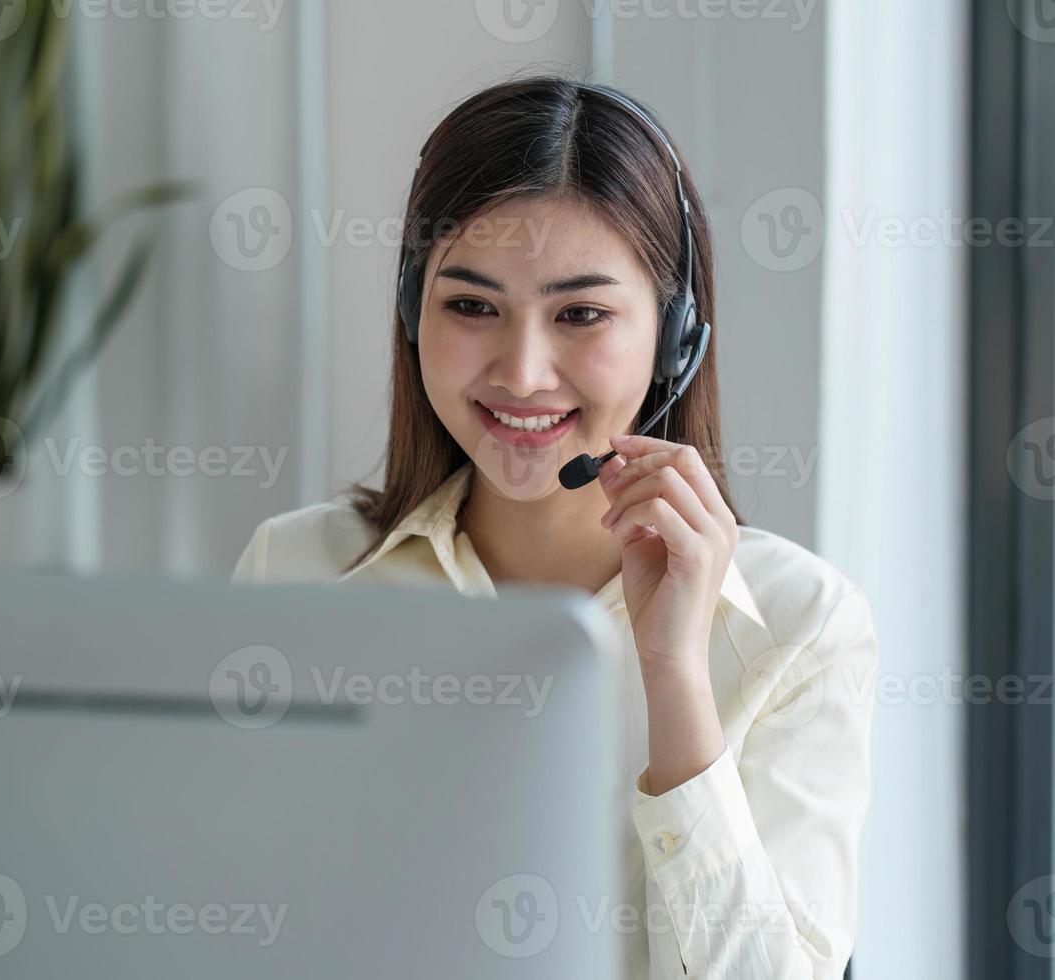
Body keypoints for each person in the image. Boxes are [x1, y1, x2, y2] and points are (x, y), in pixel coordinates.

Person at [230, 73, 876, 979]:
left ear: (677, 339)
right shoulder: (297, 571)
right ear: (414, 315)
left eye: (581, 314)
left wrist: (674, 674)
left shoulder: (800, 626)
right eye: (471, 305)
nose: (524, 371)